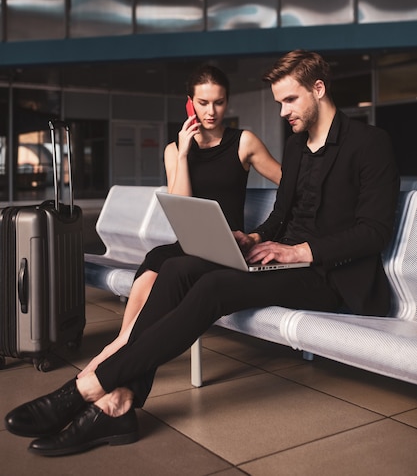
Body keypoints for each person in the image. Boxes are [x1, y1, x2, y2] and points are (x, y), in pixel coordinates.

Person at [5, 49, 399, 457]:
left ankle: (86, 387)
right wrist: (252, 238)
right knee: (176, 269)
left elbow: (373, 233)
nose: (282, 111)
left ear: (318, 89)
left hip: (330, 277)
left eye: (289, 100)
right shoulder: (298, 148)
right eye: (278, 102)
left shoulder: (370, 143)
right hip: (282, 263)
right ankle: (119, 402)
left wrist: (296, 251)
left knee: (213, 287)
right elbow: (281, 216)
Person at [79, 63, 282, 377]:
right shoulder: (174, 149)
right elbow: (181, 203)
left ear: (227, 101)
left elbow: (288, 182)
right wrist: (185, 153)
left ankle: (116, 352)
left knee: (166, 267)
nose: (211, 111)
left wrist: (264, 232)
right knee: (152, 264)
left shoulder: (244, 142)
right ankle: (122, 343)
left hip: (226, 249)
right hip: (190, 243)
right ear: (190, 102)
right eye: (202, 103)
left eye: (218, 102)